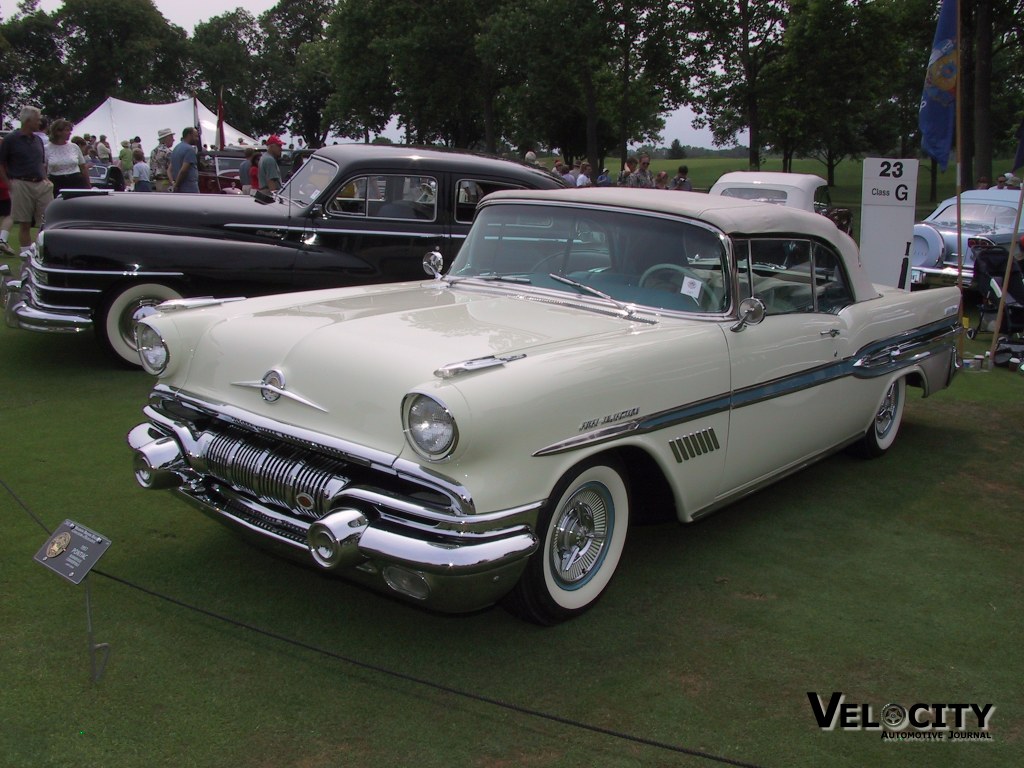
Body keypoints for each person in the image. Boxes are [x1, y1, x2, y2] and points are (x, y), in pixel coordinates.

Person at [0, 105, 53, 257]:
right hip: (21, 182)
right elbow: (1, 163)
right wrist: (10, 184)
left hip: (41, 183)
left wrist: (46, 179)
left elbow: (41, 162)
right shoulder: (11, 139)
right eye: (37, 120)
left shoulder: (37, 140)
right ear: (28, 121)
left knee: (46, 219)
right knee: (24, 222)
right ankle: (26, 253)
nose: (39, 122)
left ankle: (42, 250)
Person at [46, 119, 90, 196]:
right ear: (58, 132)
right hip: (57, 183)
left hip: (76, 181)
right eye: (67, 130)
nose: (70, 133)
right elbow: (44, 169)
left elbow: (83, 167)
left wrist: (88, 186)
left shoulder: (74, 147)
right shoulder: (46, 148)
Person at [169, 126, 200, 193]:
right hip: (189, 188)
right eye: (196, 136)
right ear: (189, 135)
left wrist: (173, 183)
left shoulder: (176, 148)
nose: (197, 139)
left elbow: (169, 170)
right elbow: (183, 170)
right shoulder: (190, 150)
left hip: (179, 190)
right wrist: (176, 185)